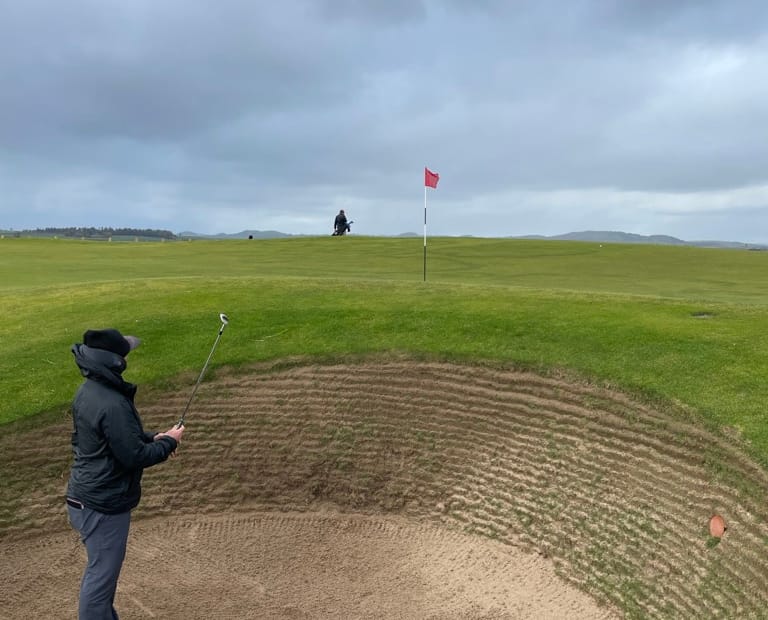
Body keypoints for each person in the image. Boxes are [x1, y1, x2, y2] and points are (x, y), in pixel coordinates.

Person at [66, 327, 183, 619]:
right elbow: (134, 456)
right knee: (101, 578)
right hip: (103, 505)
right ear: (114, 362)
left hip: (86, 496)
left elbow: (117, 438)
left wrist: (153, 436)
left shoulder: (89, 391)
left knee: (100, 574)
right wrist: (169, 443)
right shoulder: (113, 402)